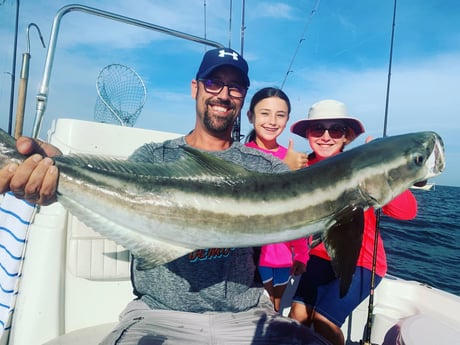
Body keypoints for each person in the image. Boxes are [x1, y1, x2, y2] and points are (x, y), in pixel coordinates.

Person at [0, 48, 329, 344]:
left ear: (242, 98)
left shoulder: (267, 168)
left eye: (235, 87)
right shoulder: (153, 157)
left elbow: (307, 216)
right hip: (158, 316)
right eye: (213, 82)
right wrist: (53, 169)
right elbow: (111, 186)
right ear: (194, 88)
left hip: (246, 318)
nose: (224, 94)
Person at [288, 99, 418, 345]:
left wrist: (384, 169)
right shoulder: (300, 169)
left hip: (362, 262)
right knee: (297, 317)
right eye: (318, 129)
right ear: (308, 134)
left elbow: (406, 212)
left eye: (335, 129)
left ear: (346, 137)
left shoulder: (364, 167)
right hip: (318, 257)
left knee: (324, 323)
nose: (326, 136)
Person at [244, 87, 308, 313]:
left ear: (287, 119)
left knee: (274, 308)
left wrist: (302, 253)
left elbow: (299, 213)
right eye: (264, 113)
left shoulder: (296, 159)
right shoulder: (238, 155)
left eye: (280, 115)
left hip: (283, 257)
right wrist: (284, 169)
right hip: (248, 255)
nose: (272, 121)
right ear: (250, 116)